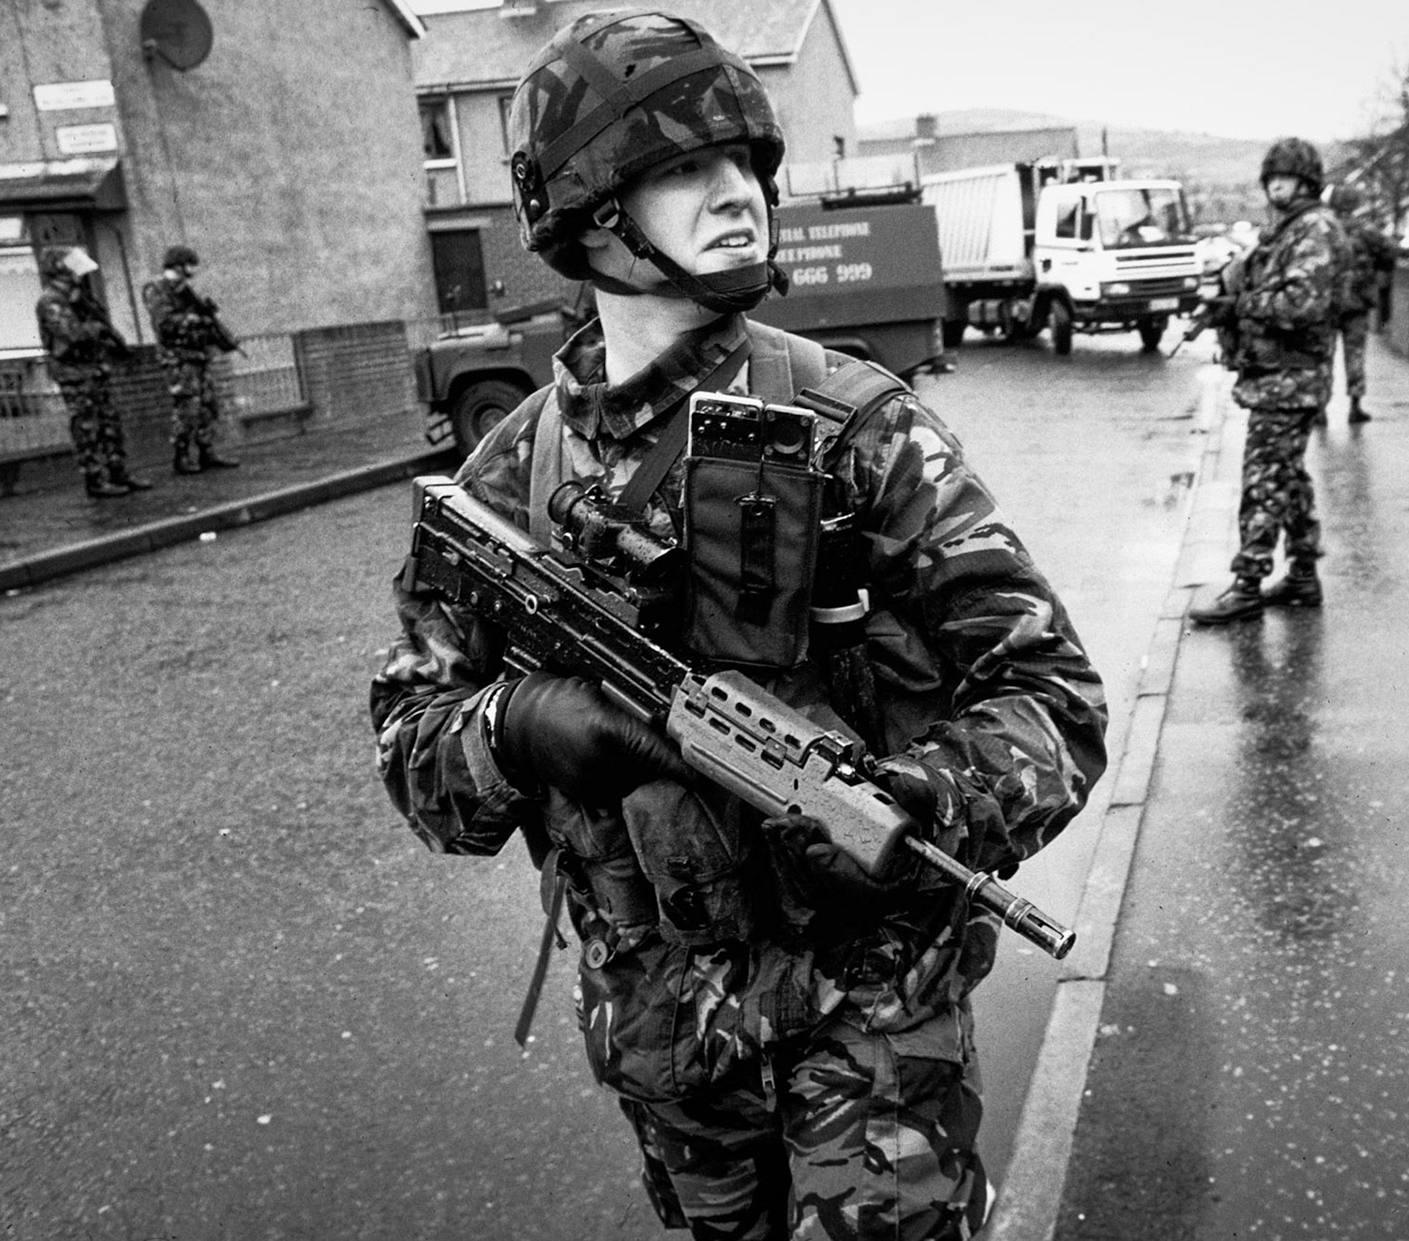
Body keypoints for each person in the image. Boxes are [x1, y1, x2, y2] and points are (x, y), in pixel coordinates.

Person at [368, 11, 1107, 1239]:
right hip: (668, 1037)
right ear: (591, 212)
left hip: (871, 1023)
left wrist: (922, 802)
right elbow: (411, 739)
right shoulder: (510, 475)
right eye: (684, 167)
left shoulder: (859, 427)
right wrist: (513, 724)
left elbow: (1053, 697)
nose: (738, 193)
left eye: (745, 162)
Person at [1188, 137, 1345, 625]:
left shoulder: (1315, 229)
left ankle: (1248, 585)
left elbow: (1302, 304)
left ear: (1306, 181)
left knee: (1263, 480)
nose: (1276, 185)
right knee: (1288, 479)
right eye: (1272, 178)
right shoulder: (1288, 229)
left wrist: (1240, 306)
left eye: (1286, 178)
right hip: (1279, 378)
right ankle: (1302, 576)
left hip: (1291, 380)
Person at [34, 247, 151, 499]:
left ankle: (118, 472)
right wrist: (97, 328)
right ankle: (95, 480)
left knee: (110, 423)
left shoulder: (79, 297)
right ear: (60, 269)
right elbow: (71, 334)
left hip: (94, 369)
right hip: (73, 373)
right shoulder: (52, 300)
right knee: (87, 428)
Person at [143, 244, 241, 474]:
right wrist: (195, 319)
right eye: (189, 265)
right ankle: (182, 455)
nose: (192, 270)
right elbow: (165, 324)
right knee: (187, 408)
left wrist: (212, 325)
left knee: (207, 405)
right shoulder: (157, 289)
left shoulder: (186, 291)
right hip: (178, 359)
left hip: (198, 356)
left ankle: (207, 451)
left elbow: (202, 320)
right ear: (178, 265)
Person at [1327, 185, 1399, 424]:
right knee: (1355, 355)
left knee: (1324, 356)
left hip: (1328, 304)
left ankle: (1319, 411)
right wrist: (1377, 271)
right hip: (1357, 303)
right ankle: (1355, 407)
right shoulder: (1366, 230)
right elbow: (1390, 252)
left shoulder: (1324, 228)